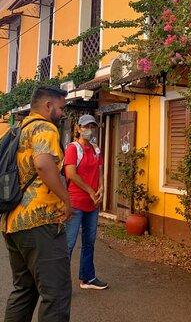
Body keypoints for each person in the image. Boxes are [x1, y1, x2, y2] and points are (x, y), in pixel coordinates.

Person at [2, 86, 72, 322]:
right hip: (40, 221)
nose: (62, 114)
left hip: (13, 222)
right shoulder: (44, 127)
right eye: (61, 108)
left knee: (24, 290)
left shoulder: (18, 129)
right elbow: (43, 164)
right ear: (48, 106)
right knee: (56, 294)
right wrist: (66, 198)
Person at [64, 114, 108, 290]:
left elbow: (100, 170)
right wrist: (90, 190)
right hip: (76, 202)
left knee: (89, 242)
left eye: (92, 126)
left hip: (93, 204)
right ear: (78, 128)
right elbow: (71, 174)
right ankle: (60, 284)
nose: (89, 130)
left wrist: (101, 188)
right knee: (68, 244)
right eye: (85, 126)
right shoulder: (73, 149)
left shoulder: (96, 149)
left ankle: (87, 278)